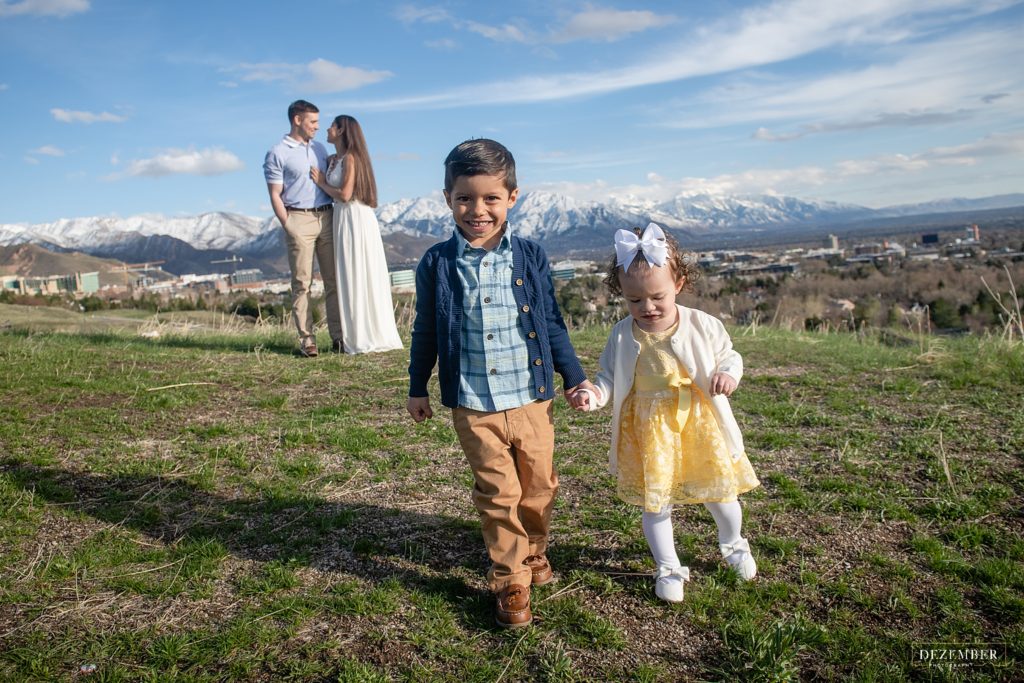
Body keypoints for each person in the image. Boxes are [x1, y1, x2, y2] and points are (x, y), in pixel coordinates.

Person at [406, 139, 597, 628]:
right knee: (497, 492)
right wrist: (417, 386)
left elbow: (551, 322)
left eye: (491, 198)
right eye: (465, 198)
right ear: (447, 198)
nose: (477, 209)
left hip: (532, 399)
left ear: (512, 197)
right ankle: (510, 576)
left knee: (539, 487)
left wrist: (573, 377)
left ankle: (535, 550)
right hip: (473, 403)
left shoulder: (529, 256)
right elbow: (426, 327)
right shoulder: (436, 263)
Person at [570, 223, 760, 603]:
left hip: (699, 422)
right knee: (656, 502)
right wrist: (593, 393)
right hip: (649, 430)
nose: (647, 307)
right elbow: (610, 377)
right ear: (621, 295)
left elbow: (729, 355)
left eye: (656, 296)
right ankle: (668, 566)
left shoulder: (703, 324)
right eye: (634, 300)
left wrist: (727, 374)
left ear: (679, 283)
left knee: (720, 494)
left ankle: (733, 543)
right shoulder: (623, 334)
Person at [310, 115, 402, 354]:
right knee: (348, 273)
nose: (327, 129)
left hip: (354, 218)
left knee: (359, 270)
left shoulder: (352, 158)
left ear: (341, 130)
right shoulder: (336, 159)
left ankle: (366, 334)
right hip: (341, 218)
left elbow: (345, 194)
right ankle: (353, 332)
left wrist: (321, 181)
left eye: (332, 125)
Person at [263, 99, 341, 357]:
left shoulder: (319, 148)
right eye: (313, 122)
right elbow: (275, 193)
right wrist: (288, 224)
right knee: (302, 284)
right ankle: (307, 340)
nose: (317, 127)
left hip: (328, 217)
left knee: (334, 281)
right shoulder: (278, 152)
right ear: (298, 120)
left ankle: (339, 337)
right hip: (298, 219)